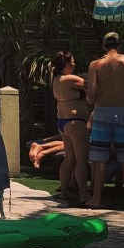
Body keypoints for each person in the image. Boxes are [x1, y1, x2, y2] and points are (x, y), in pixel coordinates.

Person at [87, 31, 124, 210]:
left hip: (102, 111)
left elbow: (91, 95)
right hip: (122, 111)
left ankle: (96, 199)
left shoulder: (95, 65)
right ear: (119, 45)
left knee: (100, 158)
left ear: (104, 46)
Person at [51, 50, 90, 204]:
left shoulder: (56, 79)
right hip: (75, 123)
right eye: (72, 62)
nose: (74, 64)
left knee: (69, 159)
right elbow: (91, 85)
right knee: (81, 160)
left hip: (63, 122)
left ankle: (64, 191)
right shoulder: (69, 79)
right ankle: (84, 194)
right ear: (66, 64)